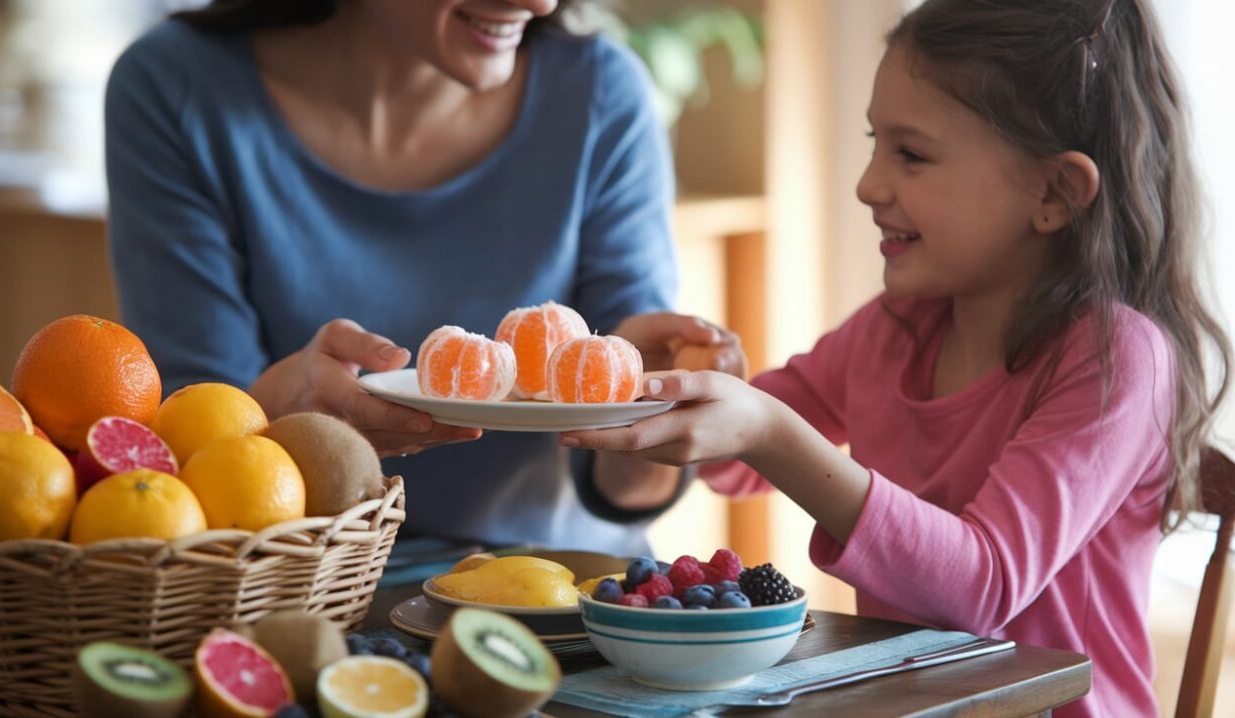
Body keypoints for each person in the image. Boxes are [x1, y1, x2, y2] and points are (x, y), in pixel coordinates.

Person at [560, 0, 1232, 714]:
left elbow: (984, 586)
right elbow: (732, 462)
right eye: (876, 143)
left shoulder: (1118, 359)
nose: (868, 185)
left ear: (1055, 192)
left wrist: (765, 428)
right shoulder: (895, 328)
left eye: (911, 155)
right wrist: (706, 389)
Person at [104, 0, 738, 555]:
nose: (539, 3)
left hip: (557, 596)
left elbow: (628, 484)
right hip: (307, 590)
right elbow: (188, 448)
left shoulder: (601, 90)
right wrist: (280, 414)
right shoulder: (174, 89)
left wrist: (661, 422)